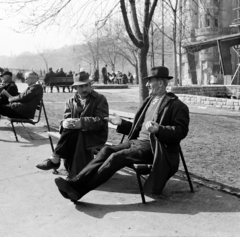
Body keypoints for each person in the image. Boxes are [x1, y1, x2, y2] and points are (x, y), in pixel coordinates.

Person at [53, 66, 190, 202]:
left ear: (160, 83)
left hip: (155, 147)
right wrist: (121, 123)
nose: (147, 84)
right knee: (107, 150)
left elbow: (181, 131)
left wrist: (159, 129)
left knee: (117, 157)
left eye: (150, 81)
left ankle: (78, 190)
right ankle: (75, 182)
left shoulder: (176, 105)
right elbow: (137, 128)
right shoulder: (149, 101)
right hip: (137, 143)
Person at [36, 71, 109, 178]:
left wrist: (82, 123)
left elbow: (102, 121)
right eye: (80, 86)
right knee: (73, 131)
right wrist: (65, 123)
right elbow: (66, 118)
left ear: (90, 85)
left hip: (96, 135)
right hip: (75, 133)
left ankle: (57, 160)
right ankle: (77, 172)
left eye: (86, 85)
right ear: (75, 88)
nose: (84, 89)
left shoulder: (99, 99)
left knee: (77, 133)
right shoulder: (71, 101)